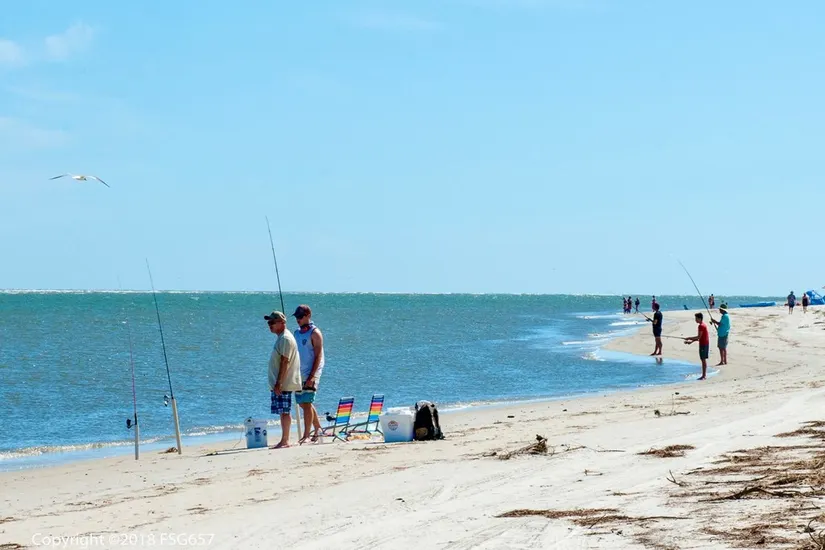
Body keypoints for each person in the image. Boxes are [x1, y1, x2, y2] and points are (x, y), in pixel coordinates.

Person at [264, 311, 302, 449]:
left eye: (272, 322)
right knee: (282, 411)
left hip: (283, 383)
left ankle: (285, 440)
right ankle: (284, 439)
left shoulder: (285, 338)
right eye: (269, 323)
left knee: (285, 411)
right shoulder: (282, 338)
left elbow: (285, 362)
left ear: (282, 323)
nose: (270, 325)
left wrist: (279, 383)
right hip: (280, 383)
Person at [292, 304, 325, 444]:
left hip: (312, 373)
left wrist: (312, 376)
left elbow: (318, 356)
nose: (298, 319)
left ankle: (306, 435)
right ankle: (318, 428)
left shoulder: (315, 333)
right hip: (298, 373)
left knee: (307, 402)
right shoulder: (296, 333)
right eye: (296, 317)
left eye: (300, 316)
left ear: (308, 316)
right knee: (302, 402)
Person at [683, 312, 710, 380]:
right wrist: (691, 341)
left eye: (696, 318)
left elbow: (698, 337)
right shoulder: (703, 325)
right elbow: (699, 338)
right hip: (705, 343)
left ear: (700, 318)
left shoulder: (701, 326)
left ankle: (704, 376)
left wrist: (689, 338)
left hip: (703, 344)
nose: (695, 320)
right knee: (703, 359)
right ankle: (704, 375)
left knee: (703, 359)